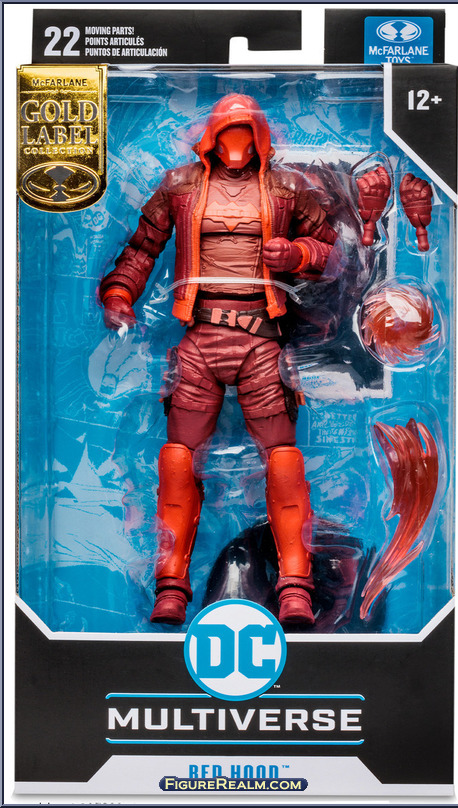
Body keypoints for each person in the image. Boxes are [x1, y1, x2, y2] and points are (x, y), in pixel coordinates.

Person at [100, 93, 385, 626]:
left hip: (261, 339)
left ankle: (295, 587)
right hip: (201, 337)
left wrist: (297, 254)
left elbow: (333, 252)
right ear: (211, 137)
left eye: (246, 135)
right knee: (178, 458)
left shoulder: (287, 188)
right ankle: (170, 586)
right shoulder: (180, 185)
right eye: (228, 134)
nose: (237, 146)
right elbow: (143, 247)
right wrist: (120, 293)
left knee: (283, 460)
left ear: (260, 138)